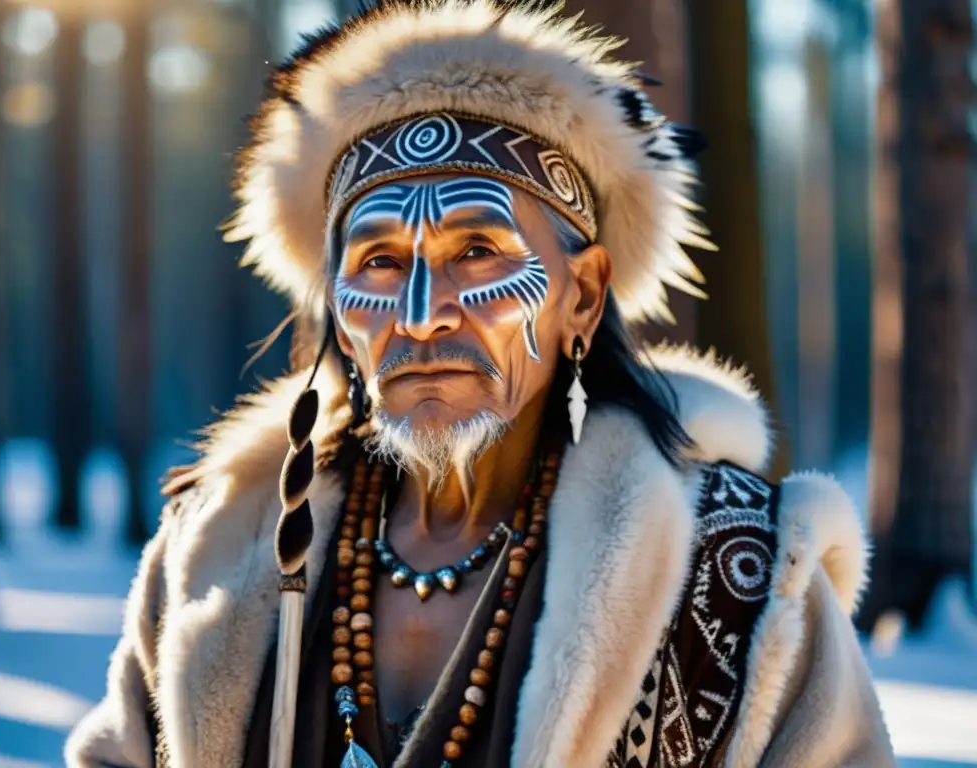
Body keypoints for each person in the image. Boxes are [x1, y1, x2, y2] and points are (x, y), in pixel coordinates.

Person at [66, 2, 894, 766]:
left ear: (582, 295)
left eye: (477, 252)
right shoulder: (218, 549)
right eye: (380, 263)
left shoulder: (739, 575)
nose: (422, 316)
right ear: (337, 308)